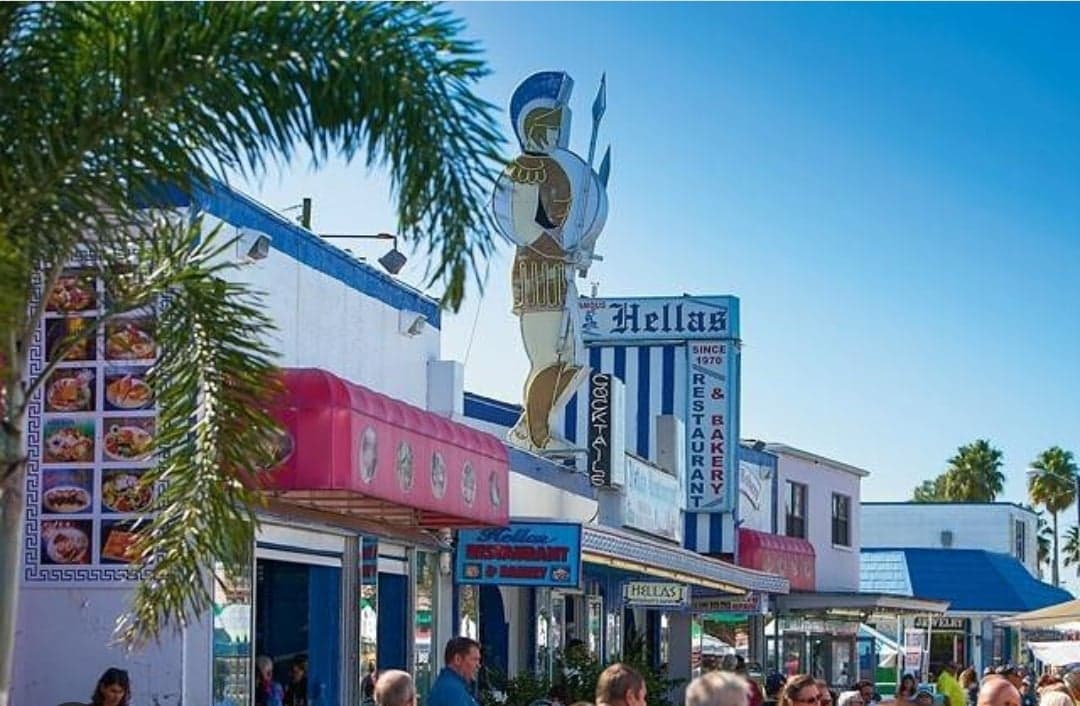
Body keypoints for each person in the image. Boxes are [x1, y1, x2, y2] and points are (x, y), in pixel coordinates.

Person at [429, 637, 482, 706]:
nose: (478, 665)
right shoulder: (451, 690)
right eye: (474, 659)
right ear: (457, 659)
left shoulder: (452, 686)